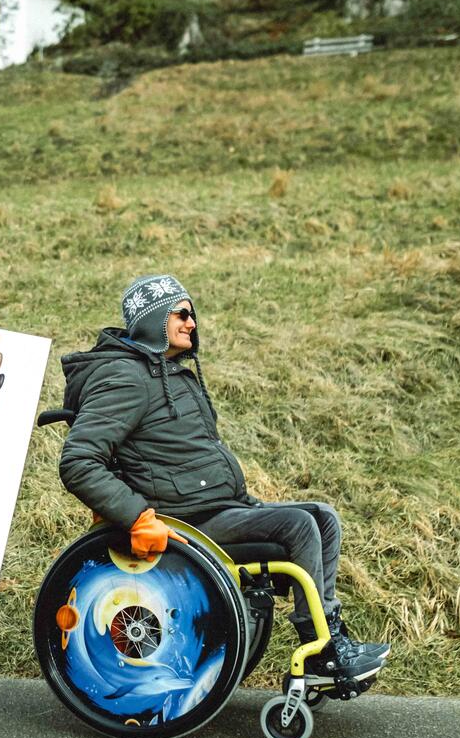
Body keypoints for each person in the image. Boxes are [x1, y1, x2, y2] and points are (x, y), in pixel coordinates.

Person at [57, 273, 389, 684]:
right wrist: (138, 518)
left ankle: (331, 637)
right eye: (181, 314)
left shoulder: (167, 373)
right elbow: (78, 461)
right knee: (299, 526)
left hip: (216, 507)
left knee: (322, 517)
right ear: (154, 319)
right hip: (184, 519)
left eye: (192, 314)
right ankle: (324, 653)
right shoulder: (127, 378)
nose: (192, 323)